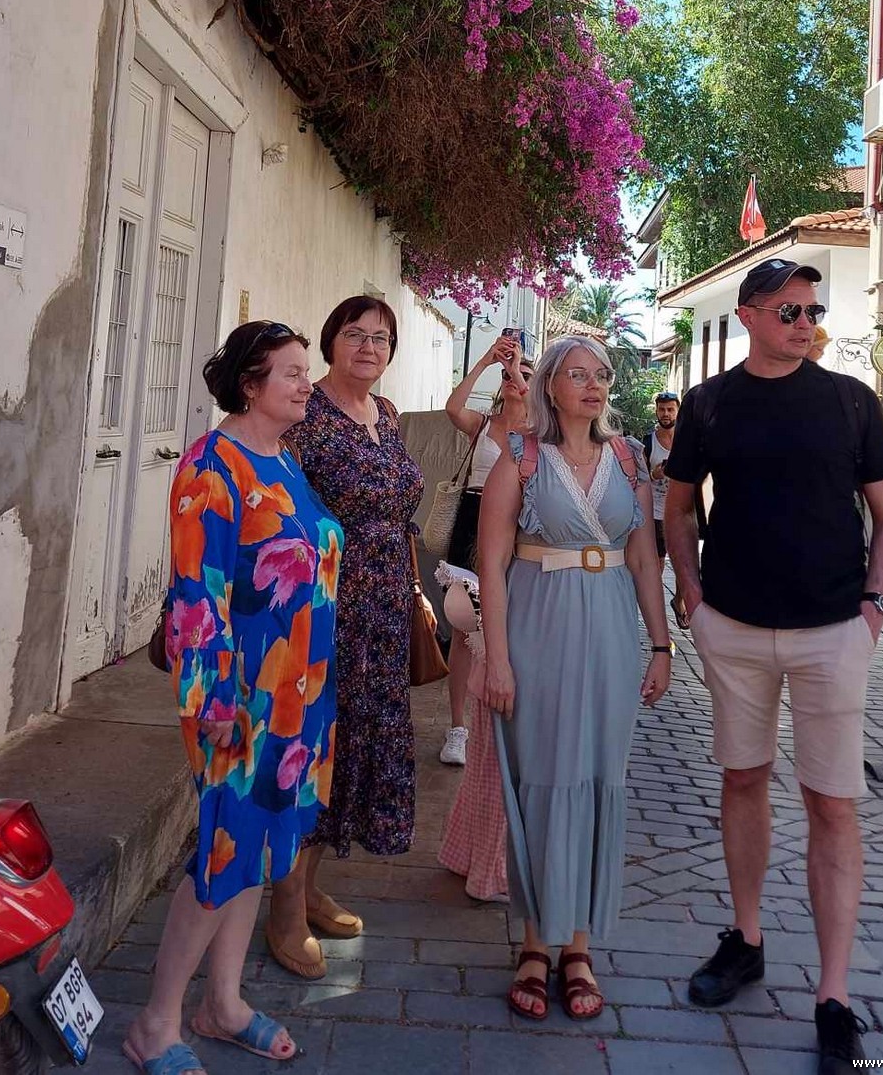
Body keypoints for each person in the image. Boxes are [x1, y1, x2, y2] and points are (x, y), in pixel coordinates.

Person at [664, 257, 883, 1075]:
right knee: (743, 778)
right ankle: (747, 937)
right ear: (748, 316)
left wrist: (875, 609)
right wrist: (692, 594)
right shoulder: (707, 403)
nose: (805, 323)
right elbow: (678, 506)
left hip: (834, 629)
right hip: (733, 625)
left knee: (831, 803)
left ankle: (833, 995)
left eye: (812, 310)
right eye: (789, 310)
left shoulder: (852, 401)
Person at [123, 322, 341, 1074]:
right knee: (226, 848)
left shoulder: (283, 459)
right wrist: (214, 700)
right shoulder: (210, 467)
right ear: (250, 384)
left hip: (296, 695)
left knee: (260, 848)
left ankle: (222, 1004)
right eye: (291, 372)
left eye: (305, 371)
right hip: (238, 699)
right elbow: (196, 594)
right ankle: (156, 1023)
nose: (306, 383)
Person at [479, 336, 672, 1023]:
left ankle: (580, 946)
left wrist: (660, 645)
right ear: (551, 386)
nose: (594, 385)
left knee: (598, 778)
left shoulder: (629, 459)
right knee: (544, 778)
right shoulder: (520, 456)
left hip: (612, 633)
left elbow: (644, 559)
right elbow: (492, 562)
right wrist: (497, 658)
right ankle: (536, 942)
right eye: (578, 374)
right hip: (539, 629)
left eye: (602, 375)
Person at [275, 296, 424, 978]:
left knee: (357, 745)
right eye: (355, 334)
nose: (369, 346)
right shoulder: (304, 415)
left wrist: (413, 590)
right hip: (324, 608)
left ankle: (308, 888)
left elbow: (400, 511)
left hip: (384, 610)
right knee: (313, 747)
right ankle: (282, 910)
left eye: (381, 338)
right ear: (331, 341)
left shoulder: (384, 415)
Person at [440, 338, 534, 765]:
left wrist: (517, 368)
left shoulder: (537, 432)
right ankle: (457, 727)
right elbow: (452, 407)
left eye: (526, 376)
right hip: (473, 522)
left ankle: (501, 725)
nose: (515, 379)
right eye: (511, 375)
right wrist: (486, 360)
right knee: (464, 626)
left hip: (516, 528)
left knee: (509, 628)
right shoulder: (482, 424)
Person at [436, 562, 509, 901]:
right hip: (511, 585)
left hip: (505, 581)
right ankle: (488, 867)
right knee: (497, 751)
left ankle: (466, 853)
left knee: (489, 752)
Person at [648, 390, 679, 560]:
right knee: (657, 562)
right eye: (662, 409)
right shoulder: (648, 443)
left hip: (681, 513)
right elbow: (637, 480)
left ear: (678, 411)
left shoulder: (687, 442)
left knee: (684, 564)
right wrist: (654, 474)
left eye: (670, 409)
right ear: (656, 411)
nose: (666, 414)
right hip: (655, 513)